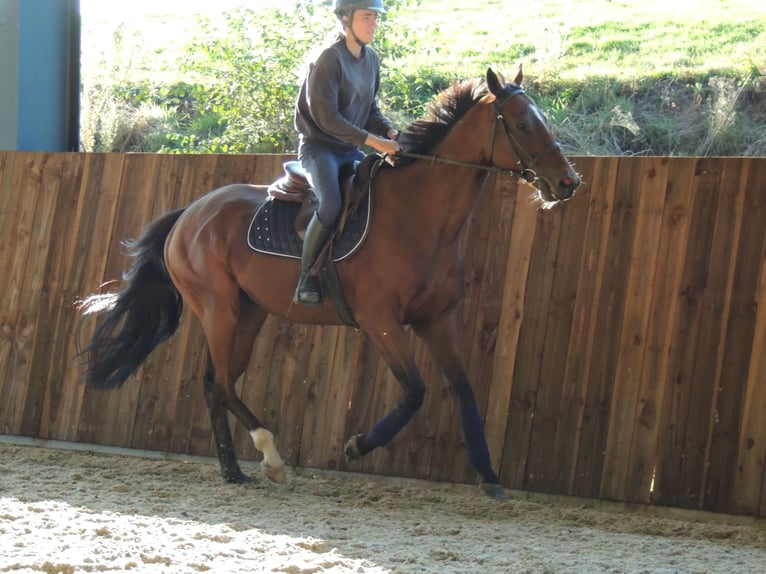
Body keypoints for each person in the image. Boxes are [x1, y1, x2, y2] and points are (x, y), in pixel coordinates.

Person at [293, 0, 401, 307]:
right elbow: (327, 118)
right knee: (330, 204)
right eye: (367, 17)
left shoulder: (371, 60)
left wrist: (390, 132)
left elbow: (370, 109)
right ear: (344, 18)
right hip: (320, 148)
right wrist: (374, 142)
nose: (373, 24)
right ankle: (306, 278)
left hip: (349, 148)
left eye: (376, 18)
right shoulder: (328, 60)